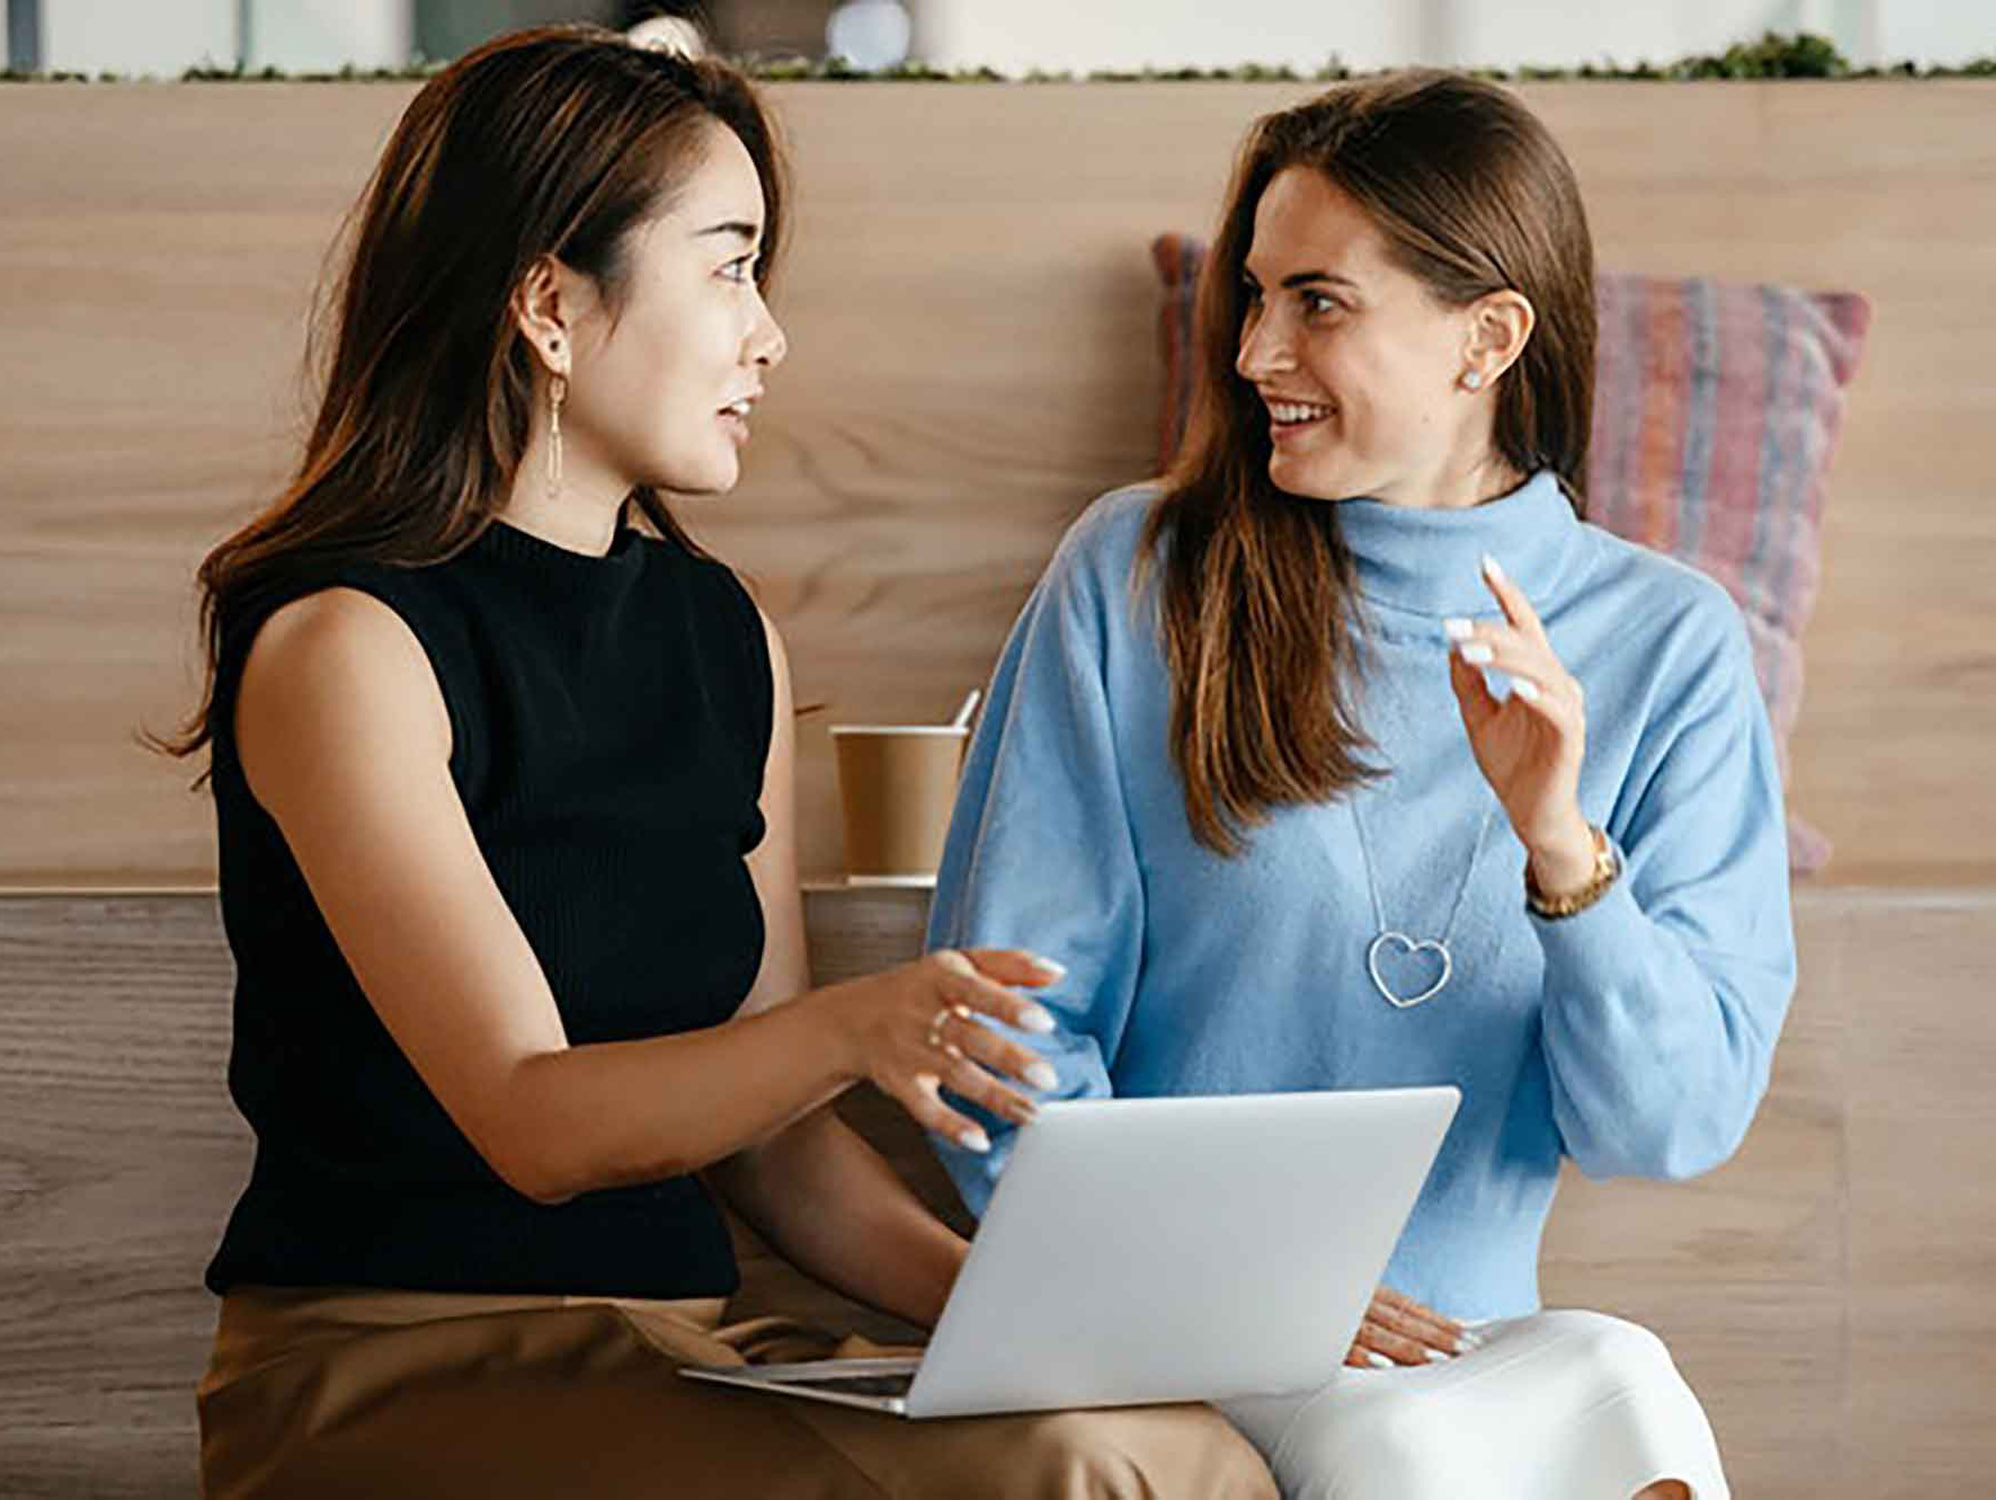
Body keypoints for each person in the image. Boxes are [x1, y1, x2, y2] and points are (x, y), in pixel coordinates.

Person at [152, 25, 1276, 1499]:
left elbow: (778, 1154)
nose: (771, 335)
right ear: (551, 305)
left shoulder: (721, 632)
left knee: (1179, 1448)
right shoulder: (345, 647)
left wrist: (1064, 1330)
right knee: (1070, 1476)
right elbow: (532, 1119)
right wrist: (858, 1028)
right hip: (387, 1366)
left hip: (676, 1352)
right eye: (729, 264)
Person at [927, 71, 1797, 1500]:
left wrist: (1561, 849)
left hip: (1469, 1339)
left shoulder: (1671, 644)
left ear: (1489, 338)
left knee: (1627, 1380)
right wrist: (1233, 1293)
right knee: (1407, 1448)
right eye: (1251, 297)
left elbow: (1671, 1123)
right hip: (1175, 1333)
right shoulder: (1138, 576)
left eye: (1317, 302)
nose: (1257, 349)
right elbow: (997, 1047)